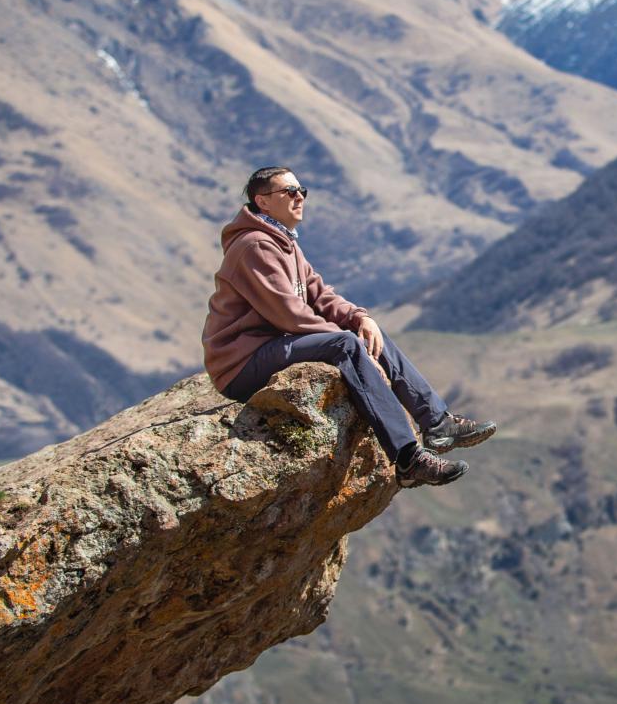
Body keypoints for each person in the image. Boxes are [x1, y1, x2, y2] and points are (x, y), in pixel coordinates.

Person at [202, 166, 495, 487]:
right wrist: (350, 340)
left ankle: (437, 423)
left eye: (302, 191)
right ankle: (409, 459)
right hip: (242, 364)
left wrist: (360, 318)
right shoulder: (255, 246)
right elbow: (287, 314)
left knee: (368, 333)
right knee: (345, 344)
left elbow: (320, 295)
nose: (300, 197)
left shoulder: (284, 241)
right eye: (289, 192)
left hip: (270, 349)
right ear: (263, 202)